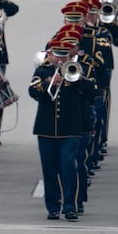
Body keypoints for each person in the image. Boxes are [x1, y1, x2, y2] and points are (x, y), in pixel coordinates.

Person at [29, 37, 90, 220]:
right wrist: (50, 83)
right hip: (46, 129)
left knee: (68, 166)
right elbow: (33, 91)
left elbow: (92, 90)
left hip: (70, 128)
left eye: (64, 55)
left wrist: (75, 81)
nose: (61, 59)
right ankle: (53, 207)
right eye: (58, 55)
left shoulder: (77, 71)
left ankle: (70, 205)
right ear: (50, 54)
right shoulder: (42, 71)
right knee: (49, 169)